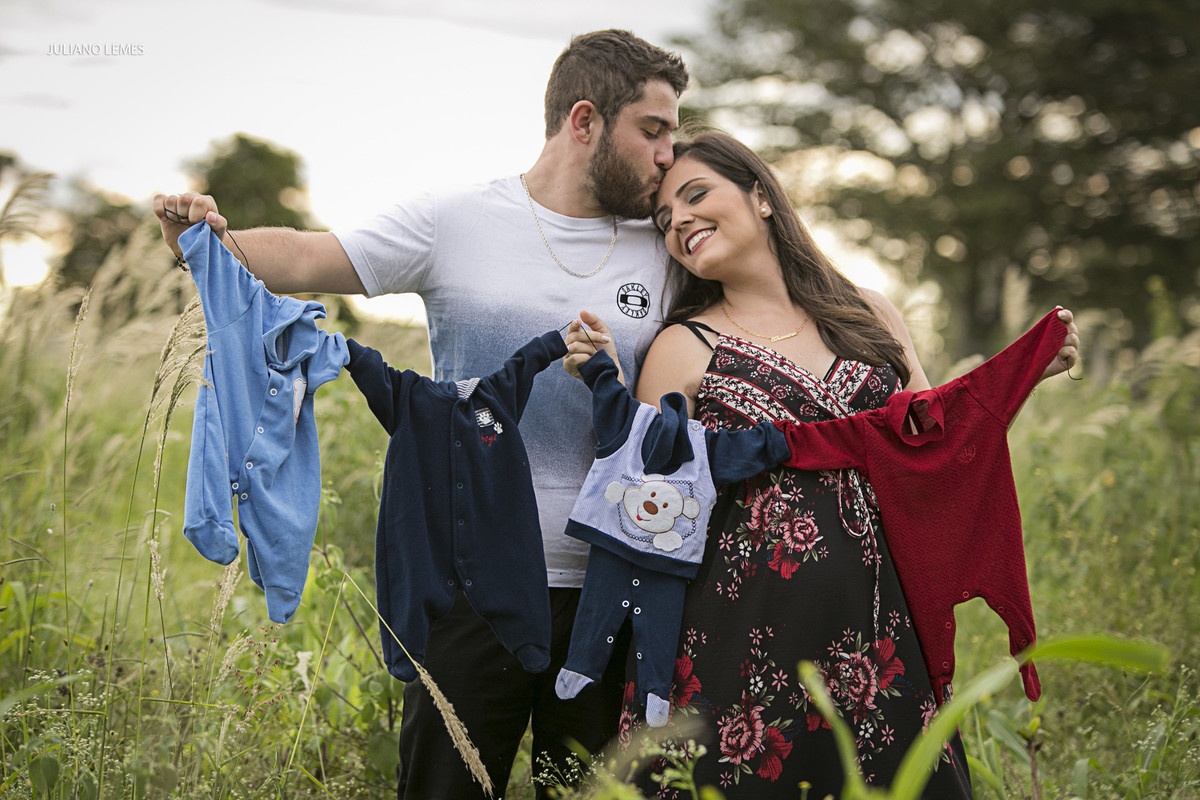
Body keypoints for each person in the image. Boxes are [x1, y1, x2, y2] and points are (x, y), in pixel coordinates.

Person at [154, 30, 688, 800]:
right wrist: (202, 241)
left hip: (612, 593)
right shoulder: (457, 220)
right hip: (467, 589)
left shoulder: (664, 249)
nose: (670, 153)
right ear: (584, 121)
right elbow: (307, 260)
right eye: (654, 129)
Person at [564, 129, 1079, 797]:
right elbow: (647, 502)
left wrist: (1023, 375)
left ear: (761, 197)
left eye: (696, 195)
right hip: (738, 643)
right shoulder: (682, 347)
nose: (680, 222)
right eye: (665, 221)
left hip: (878, 635)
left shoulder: (867, 313)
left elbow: (934, 442)